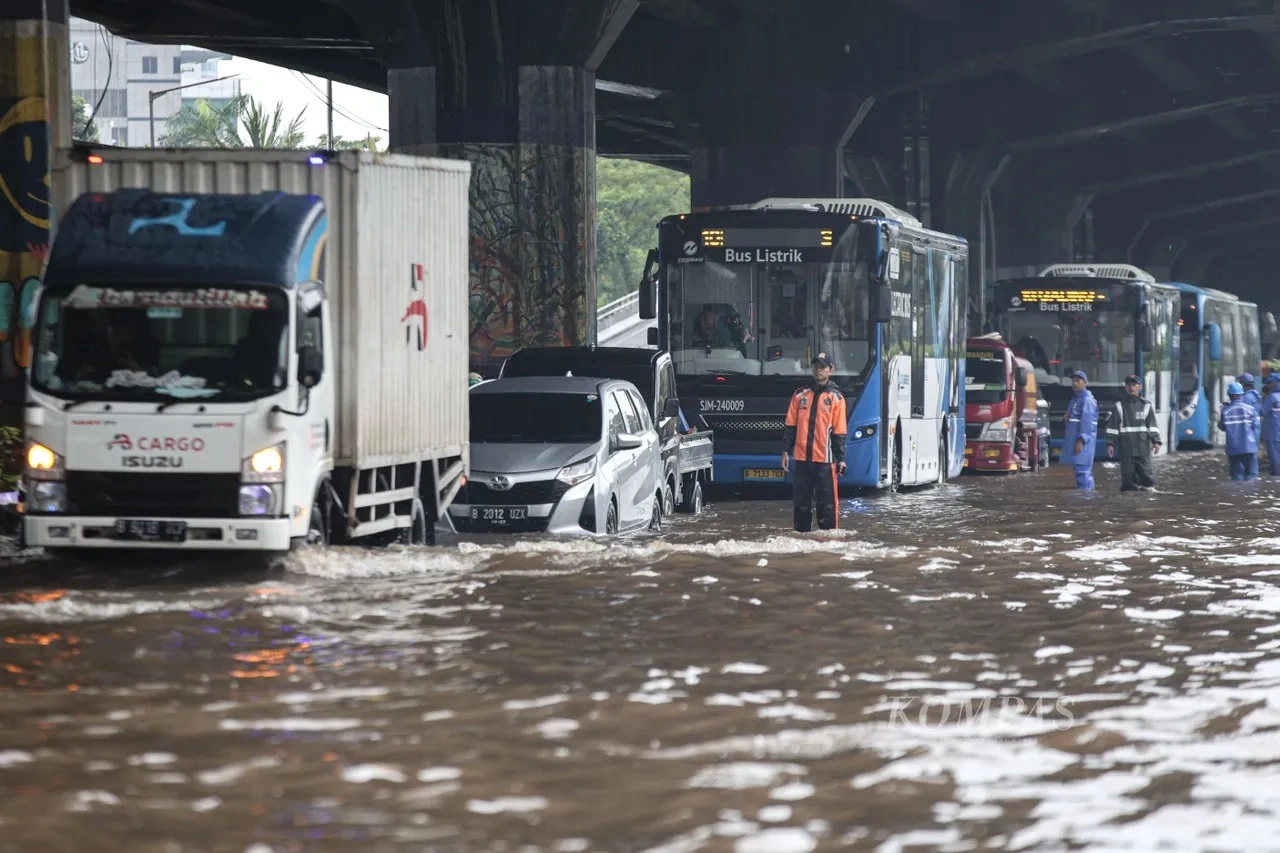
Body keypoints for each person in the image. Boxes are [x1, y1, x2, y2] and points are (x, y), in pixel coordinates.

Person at [781, 353, 847, 531]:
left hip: (824, 461)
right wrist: (786, 451)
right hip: (802, 459)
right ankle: (802, 537)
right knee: (801, 504)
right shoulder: (799, 395)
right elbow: (790, 426)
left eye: (823, 367)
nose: (819, 370)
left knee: (827, 505)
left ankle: (829, 539)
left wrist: (841, 459)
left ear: (831, 370)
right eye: (816, 367)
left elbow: (839, 432)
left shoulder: (836, 398)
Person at [1105, 374, 1162, 491]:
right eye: (1129, 385)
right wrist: (1110, 444)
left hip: (1143, 448)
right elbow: (1113, 427)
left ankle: (1146, 497)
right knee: (1128, 478)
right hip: (1126, 448)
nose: (1132, 387)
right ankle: (1130, 499)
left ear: (1140, 387)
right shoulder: (1119, 406)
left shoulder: (1146, 405)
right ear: (1126, 387)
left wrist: (1156, 442)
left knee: (1146, 476)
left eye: (1134, 385)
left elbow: (1152, 426)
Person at [1061, 369, 1098, 490]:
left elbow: (1087, 423)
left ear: (1085, 382)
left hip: (1083, 443)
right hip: (1076, 441)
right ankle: (1084, 495)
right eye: (1073, 381)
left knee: (1083, 471)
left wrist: (1081, 440)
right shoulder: (1075, 399)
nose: (1075, 383)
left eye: (1078, 381)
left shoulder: (1086, 400)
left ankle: (1086, 496)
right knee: (1079, 470)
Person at [1220, 381, 1261, 480]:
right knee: (1251, 475)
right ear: (1241, 394)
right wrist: (1255, 444)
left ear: (1229, 395)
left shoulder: (1225, 411)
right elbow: (1256, 427)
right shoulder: (1251, 409)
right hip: (1249, 447)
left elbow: (1222, 427)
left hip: (1233, 448)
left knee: (1237, 476)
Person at [1238, 372, 1263, 478]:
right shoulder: (1255, 395)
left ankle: (1249, 476)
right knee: (1252, 452)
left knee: (1246, 454)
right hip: (1256, 426)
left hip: (1249, 427)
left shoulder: (1246, 397)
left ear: (1243, 384)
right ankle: (1252, 476)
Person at [1263, 373, 1280, 476]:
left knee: (1275, 463)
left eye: (1270, 383)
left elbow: (1262, 412)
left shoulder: (1272, 397)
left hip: (1274, 434)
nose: (1269, 385)